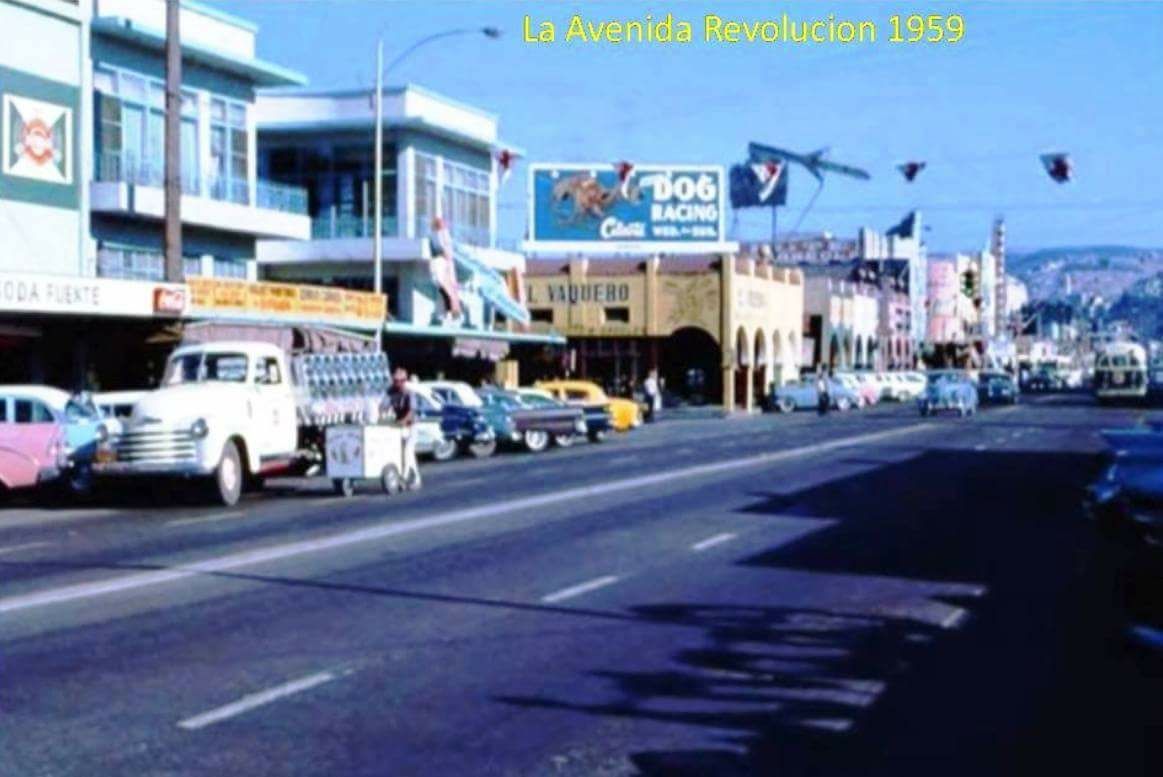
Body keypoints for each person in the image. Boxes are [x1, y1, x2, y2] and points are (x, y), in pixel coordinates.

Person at [387, 367, 421, 490]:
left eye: (400, 381)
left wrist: (404, 420)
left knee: (408, 451)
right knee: (406, 453)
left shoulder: (409, 393)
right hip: (399, 426)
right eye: (395, 381)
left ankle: (404, 477)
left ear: (404, 381)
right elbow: (384, 404)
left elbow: (412, 411)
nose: (397, 383)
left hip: (411, 425)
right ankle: (416, 478)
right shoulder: (391, 391)